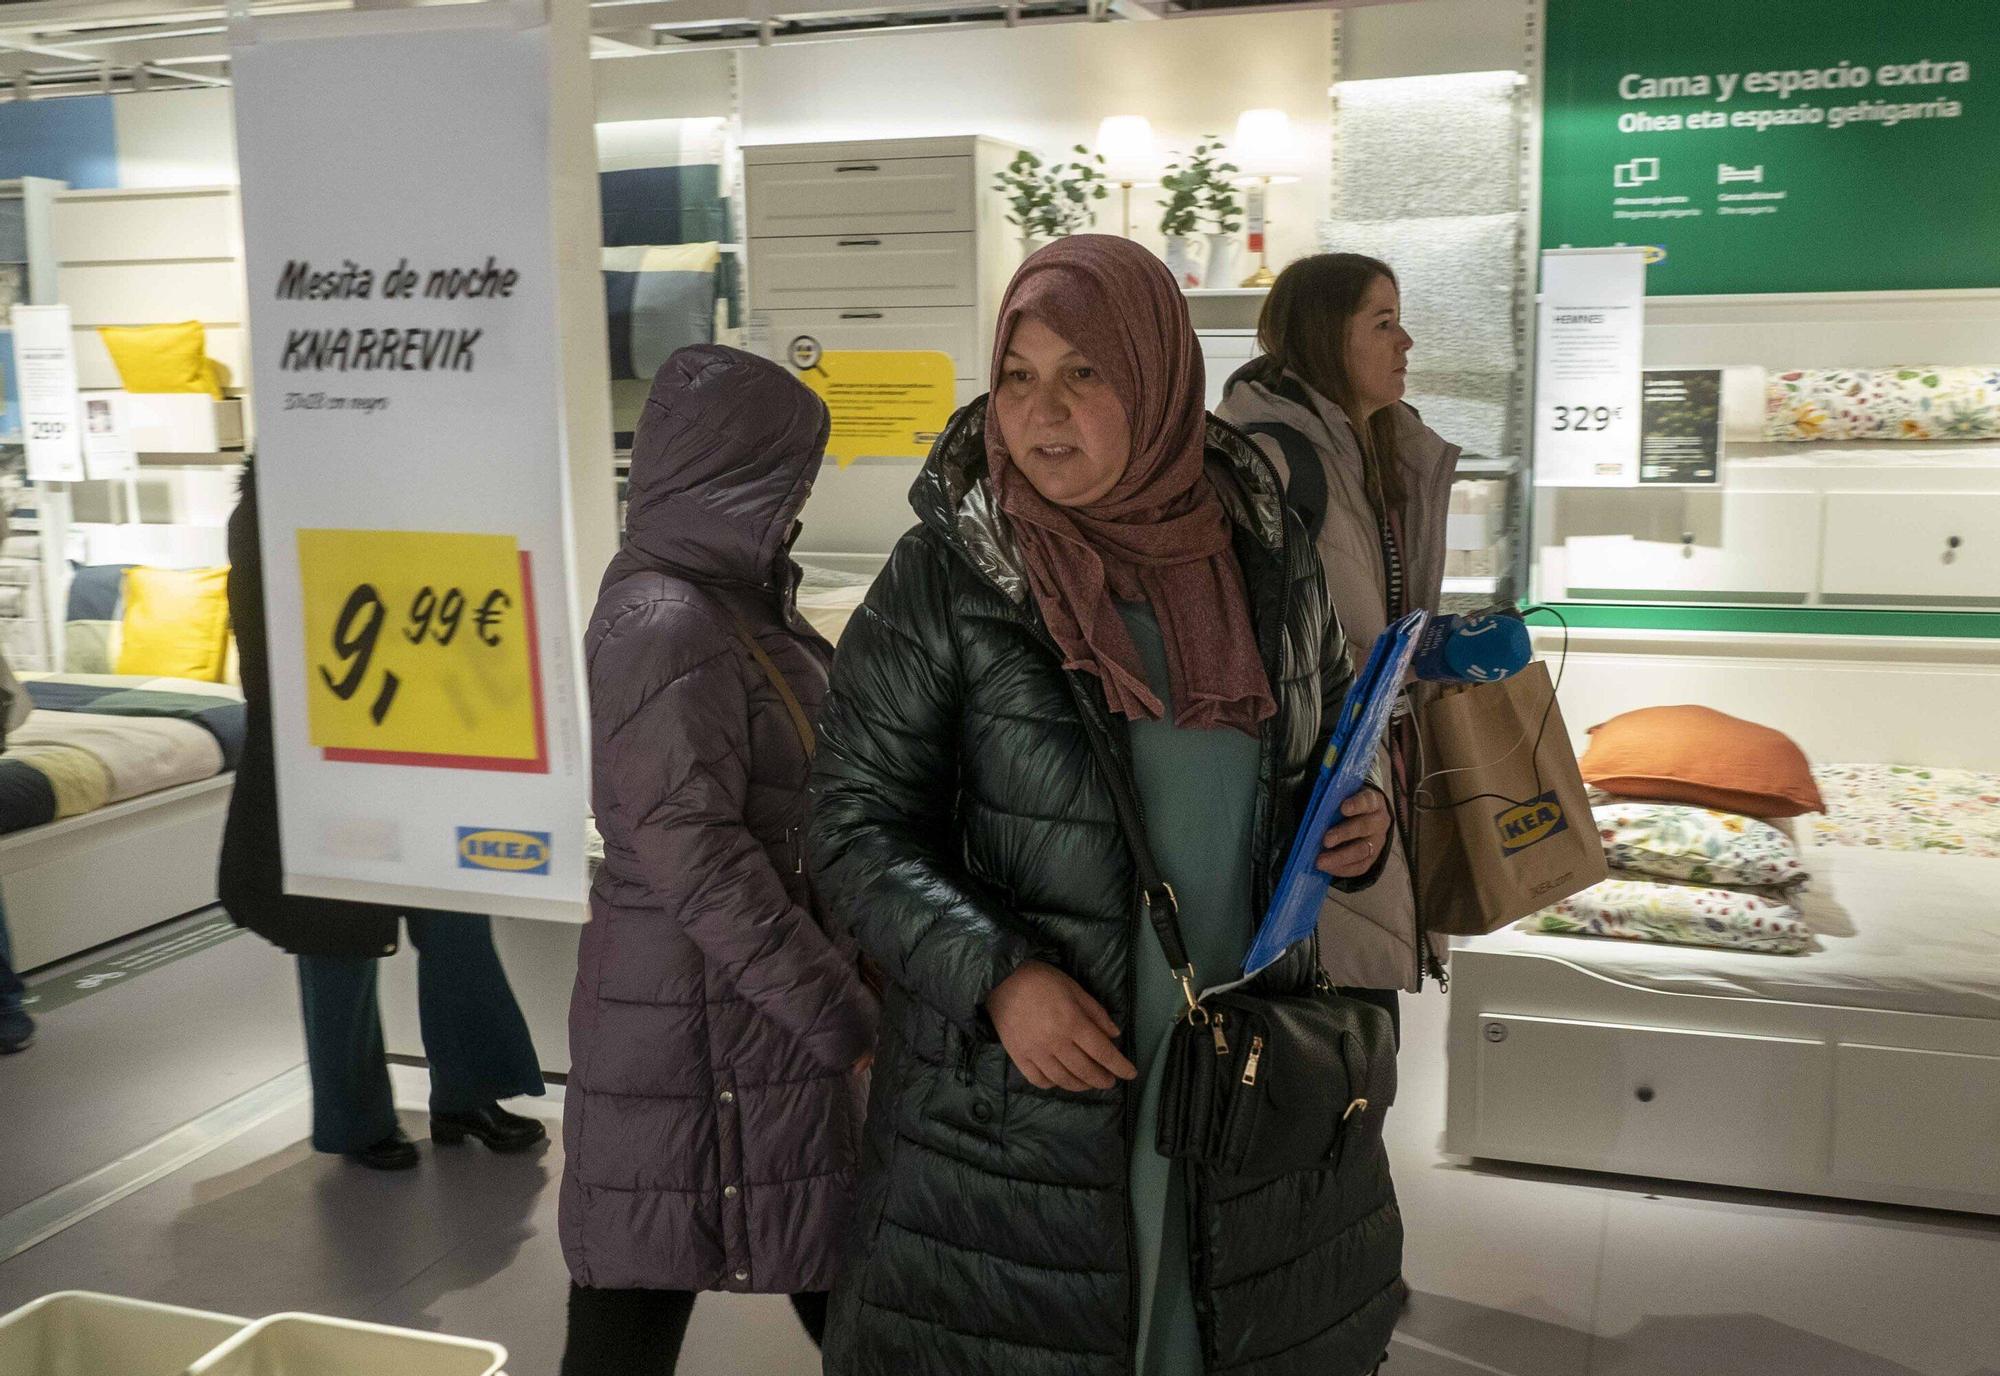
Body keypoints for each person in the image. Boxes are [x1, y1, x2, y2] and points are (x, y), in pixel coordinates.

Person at [808, 236, 1403, 1376]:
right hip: (1029, 1104)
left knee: (1209, 1325)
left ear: (1157, 376)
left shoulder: (1268, 563)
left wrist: (1358, 827)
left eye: (1084, 372)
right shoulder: (947, 580)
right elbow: (848, 823)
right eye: (1018, 376)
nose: (1042, 412)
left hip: (1240, 1072)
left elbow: (1331, 756)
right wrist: (998, 974)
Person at [558, 345, 878, 1376]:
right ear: (738, 475)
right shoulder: (667, 617)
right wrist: (838, 1012)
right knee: (642, 1284)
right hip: (696, 1025)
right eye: (790, 480)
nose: (799, 505)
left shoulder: (726, 603)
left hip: (728, 1014)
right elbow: (698, 856)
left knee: (776, 1265)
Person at [219, 464, 547, 1170]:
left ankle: (469, 1093)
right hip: (323, 760)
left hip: (423, 744)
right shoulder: (266, 511)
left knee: (457, 926)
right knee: (337, 945)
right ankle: (356, 1120)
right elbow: (268, 656)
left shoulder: (400, 478)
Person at [1217, 252, 1462, 1011]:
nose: (1406, 342)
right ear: (1327, 335)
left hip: (1365, 792)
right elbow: (1242, 652)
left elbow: (1363, 619)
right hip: (1304, 811)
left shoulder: (1373, 452)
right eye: (1383, 322)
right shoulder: (1267, 460)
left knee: (1358, 1050)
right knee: (1319, 1048)